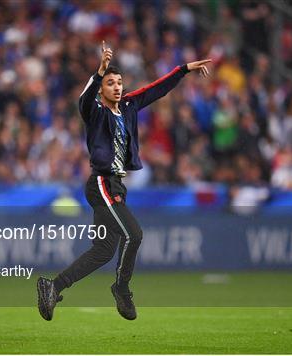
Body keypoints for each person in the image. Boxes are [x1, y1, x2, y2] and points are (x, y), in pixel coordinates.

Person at [37, 41, 211, 321]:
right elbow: (83, 101)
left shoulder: (128, 106)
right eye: (110, 83)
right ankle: (121, 288)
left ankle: (53, 286)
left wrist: (184, 69)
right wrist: (99, 72)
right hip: (102, 184)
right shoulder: (95, 112)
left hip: (117, 185)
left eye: (119, 82)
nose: (117, 87)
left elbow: (156, 89)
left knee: (104, 251)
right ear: (102, 89)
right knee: (135, 234)